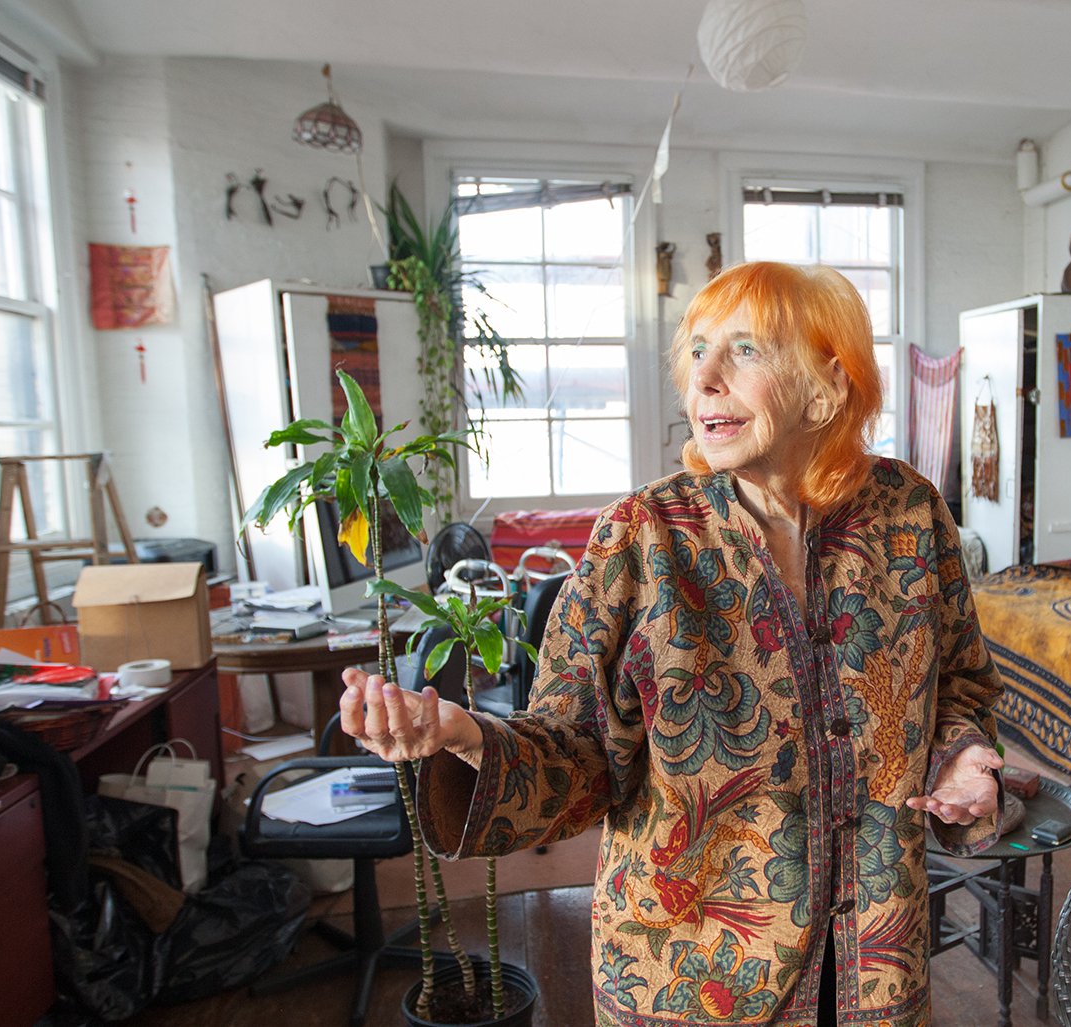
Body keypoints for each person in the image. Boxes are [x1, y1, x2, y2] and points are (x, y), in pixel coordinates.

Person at [340, 261, 1005, 1027]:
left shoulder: (910, 513)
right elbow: (580, 751)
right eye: (696, 350)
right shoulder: (641, 538)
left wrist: (959, 750)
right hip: (691, 982)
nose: (705, 378)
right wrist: (467, 739)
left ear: (826, 385)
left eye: (745, 350)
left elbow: (958, 680)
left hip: (875, 966)